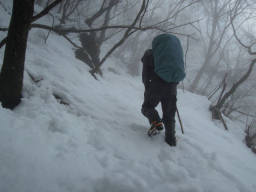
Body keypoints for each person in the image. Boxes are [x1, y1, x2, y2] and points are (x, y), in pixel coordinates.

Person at [141, 34, 185, 147]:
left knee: (147, 107)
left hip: (156, 85)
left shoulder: (150, 54)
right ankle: (171, 140)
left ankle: (156, 122)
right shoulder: (174, 59)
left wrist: (147, 87)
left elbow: (145, 75)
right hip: (172, 87)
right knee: (169, 115)